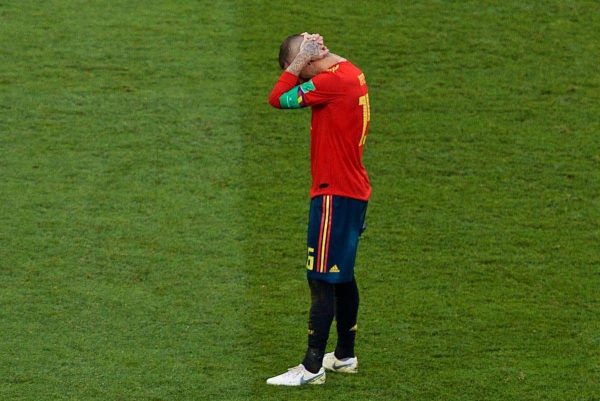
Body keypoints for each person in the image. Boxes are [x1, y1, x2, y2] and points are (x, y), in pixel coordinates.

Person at [265, 33, 372, 386]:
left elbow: (277, 98)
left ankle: (311, 368)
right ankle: (344, 356)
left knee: (321, 278)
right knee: (341, 274)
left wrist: (297, 61)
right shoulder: (350, 72)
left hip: (334, 195)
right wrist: (315, 52)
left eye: (301, 70)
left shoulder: (330, 82)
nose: (302, 79)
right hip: (352, 191)